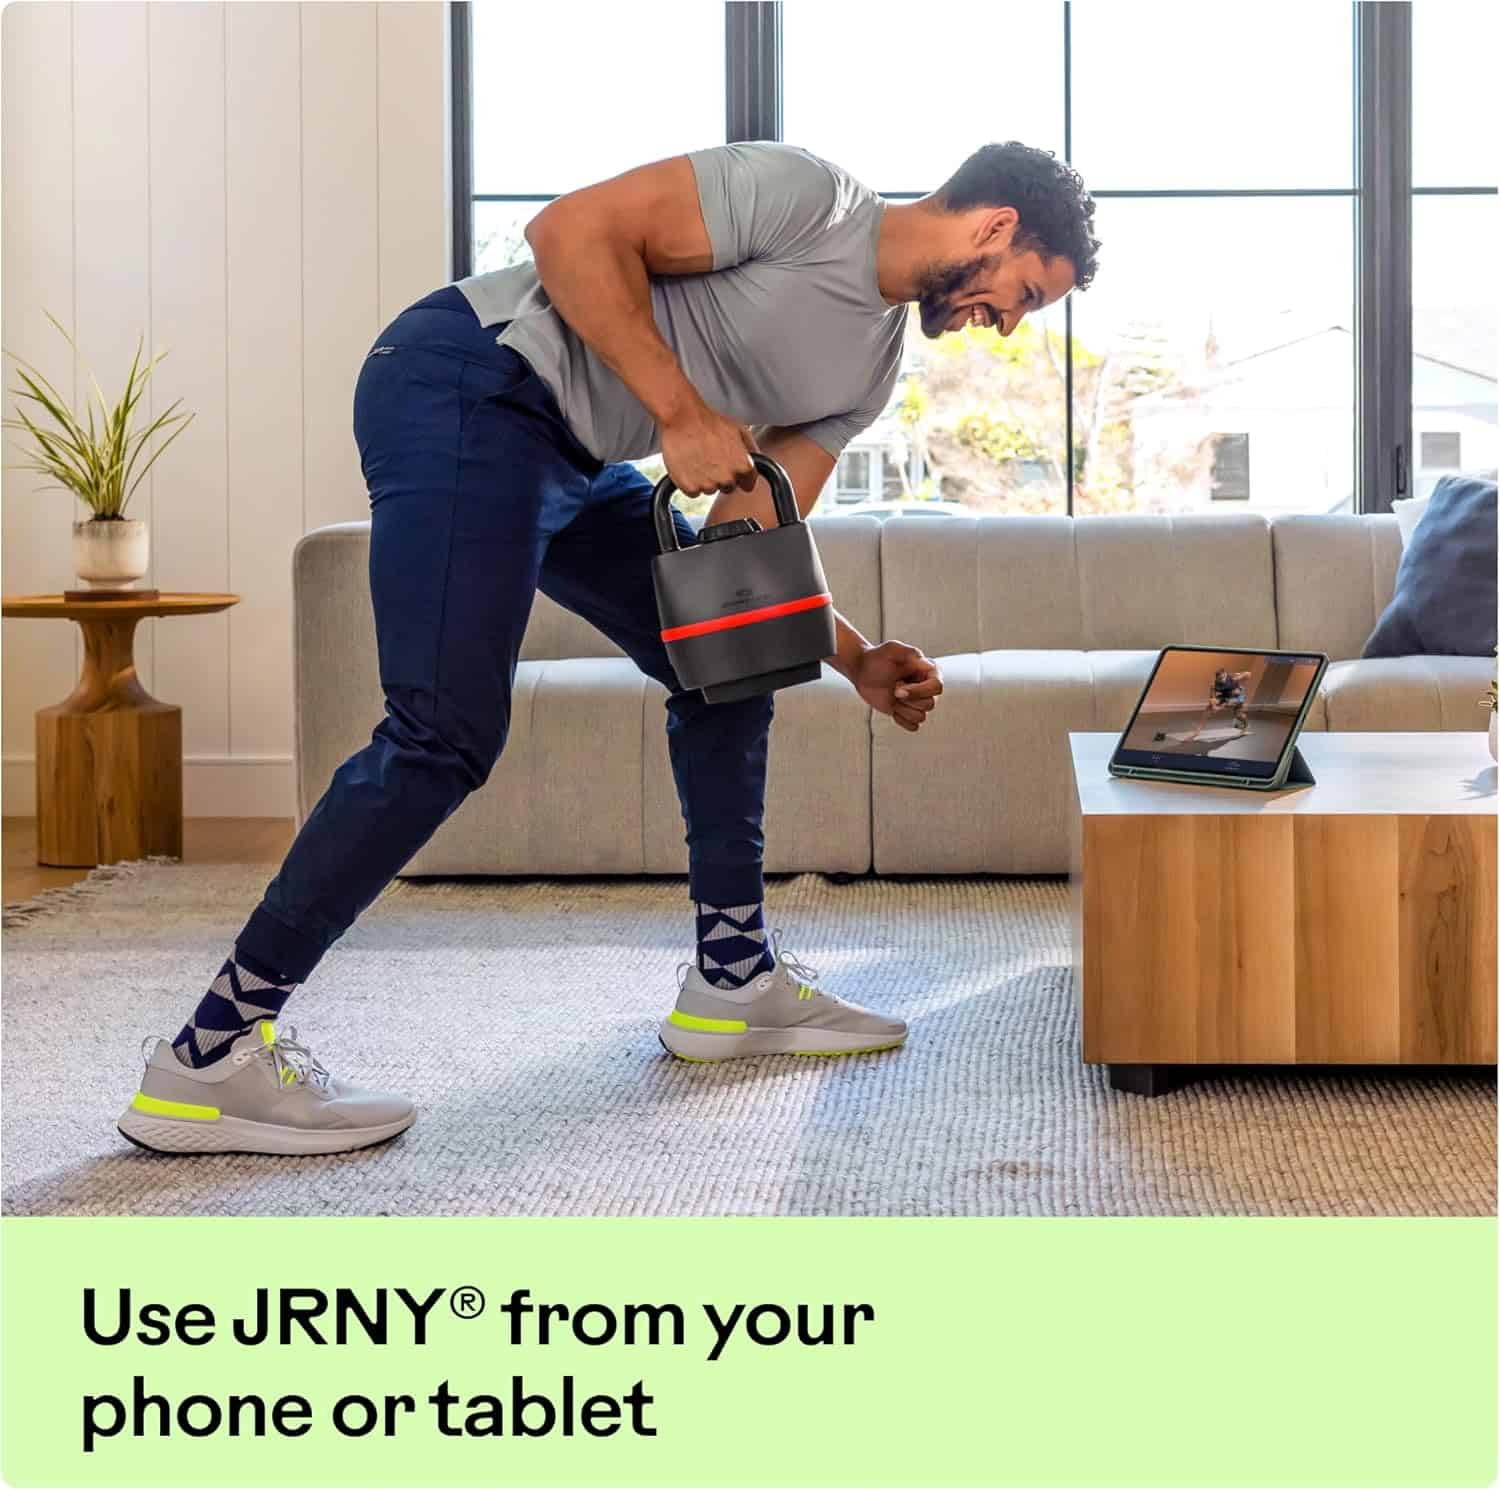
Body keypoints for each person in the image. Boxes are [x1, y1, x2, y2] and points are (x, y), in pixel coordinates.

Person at [116, 140, 1099, 1155]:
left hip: (573, 455)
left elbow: (741, 555)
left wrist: (852, 657)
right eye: (1022, 291)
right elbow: (569, 231)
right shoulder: (812, 201)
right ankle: (208, 1055)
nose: (1007, 322)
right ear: (992, 229)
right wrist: (678, 412)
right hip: (469, 378)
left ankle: (732, 980)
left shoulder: (870, 371)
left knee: (727, 666)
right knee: (445, 730)